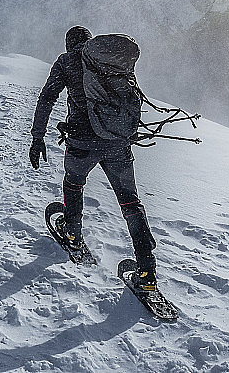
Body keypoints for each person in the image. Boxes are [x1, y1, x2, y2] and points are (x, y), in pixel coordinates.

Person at [29, 26, 158, 291]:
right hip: (117, 143)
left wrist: (37, 137)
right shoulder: (110, 66)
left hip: (82, 143)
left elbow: (46, 99)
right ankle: (147, 271)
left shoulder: (66, 61)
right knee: (130, 202)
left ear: (69, 44)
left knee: (73, 183)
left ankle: (73, 233)